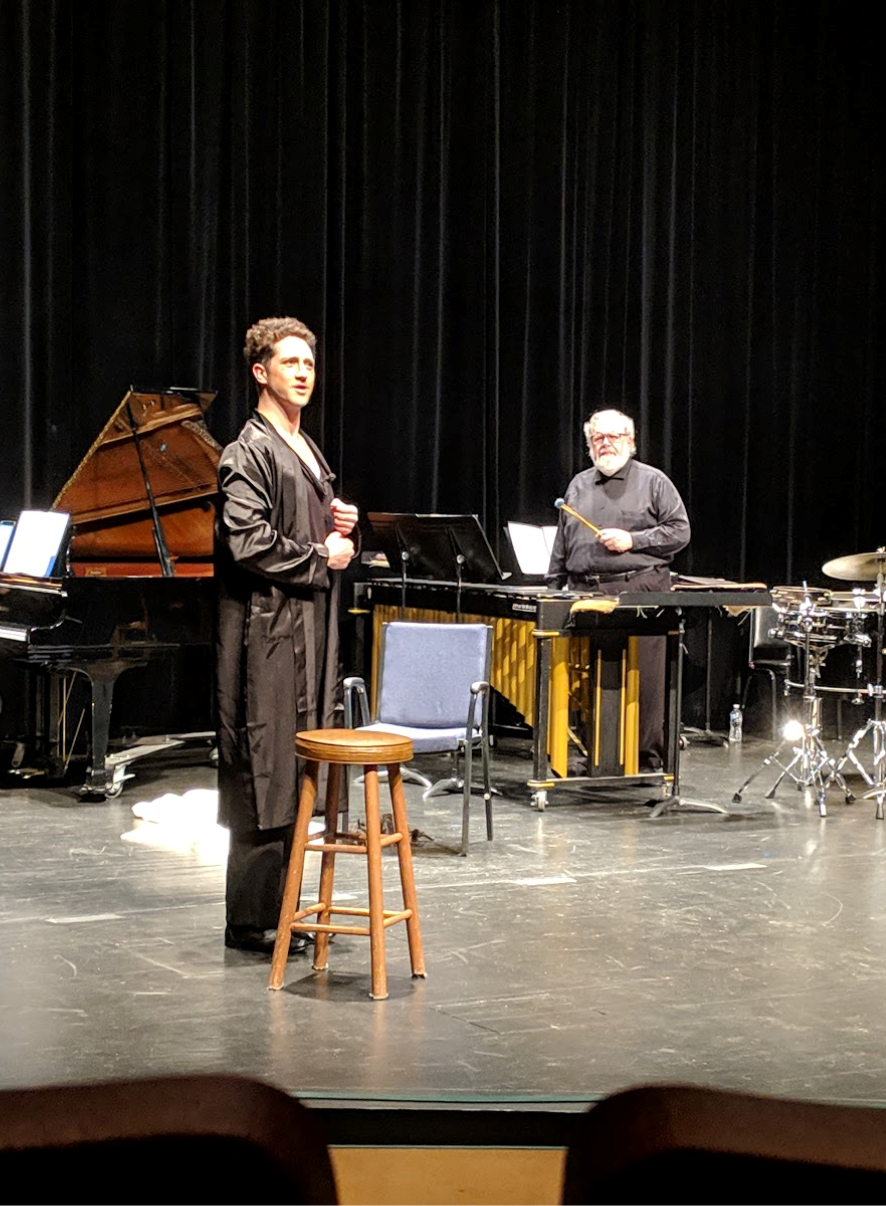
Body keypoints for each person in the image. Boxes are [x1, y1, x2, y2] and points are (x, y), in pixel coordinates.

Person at [215, 316, 359, 953]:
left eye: (309, 363)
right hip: (266, 633)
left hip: (309, 628)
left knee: (296, 765)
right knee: (263, 768)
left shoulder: (306, 448)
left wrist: (340, 518)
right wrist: (318, 556)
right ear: (261, 371)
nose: (304, 373)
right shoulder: (247, 449)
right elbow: (246, 540)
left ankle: (284, 909)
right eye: (291, 363)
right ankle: (252, 921)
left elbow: (308, 521)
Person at [545, 408, 690, 770]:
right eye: (598, 438)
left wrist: (633, 540)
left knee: (644, 684)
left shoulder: (654, 481)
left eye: (614, 437)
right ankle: (596, 755)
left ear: (631, 442)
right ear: (590, 444)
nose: (605, 444)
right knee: (587, 680)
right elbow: (563, 541)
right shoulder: (578, 484)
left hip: (638, 593)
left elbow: (679, 532)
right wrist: (552, 587)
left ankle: (644, 760)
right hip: (585, 595)